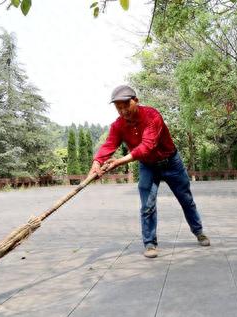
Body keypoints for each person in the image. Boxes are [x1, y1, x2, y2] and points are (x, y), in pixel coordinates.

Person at [88, 85, 210, 258]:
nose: (123, 111)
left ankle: (199, 231)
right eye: (118, 108)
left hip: (171, 163)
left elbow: (146, 146)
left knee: (186, 199)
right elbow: (109, 144)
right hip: (148, 166)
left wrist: (119, 162)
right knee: (147, 205)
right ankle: (150, 243)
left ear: (136, 101)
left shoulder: (152, 116)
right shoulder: (118, 125)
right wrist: (97, 162)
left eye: (126, 105)